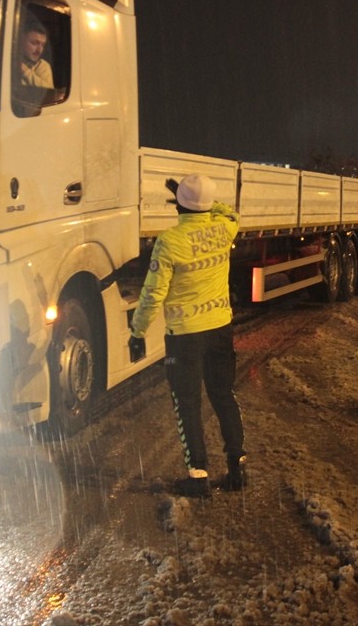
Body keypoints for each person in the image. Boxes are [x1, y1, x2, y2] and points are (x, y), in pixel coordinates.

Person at [129, 174, 246, 497]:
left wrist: (137, 331)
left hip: (185, 337)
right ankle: (237, 468)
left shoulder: (170, 241)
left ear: (179, 204)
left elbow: (153, 294)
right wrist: (200, 202)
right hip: (220, 327)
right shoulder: (225, 229)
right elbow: (231, 213)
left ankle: (198, 476)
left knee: (188, 404)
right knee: (224, 396)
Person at [16, 19, 54, 88]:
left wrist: (25, 71)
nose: (39, 50)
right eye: (34, 43)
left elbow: (49, 91)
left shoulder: (43, 66)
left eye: (43, 45)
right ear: (21, 41)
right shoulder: (11, 60)